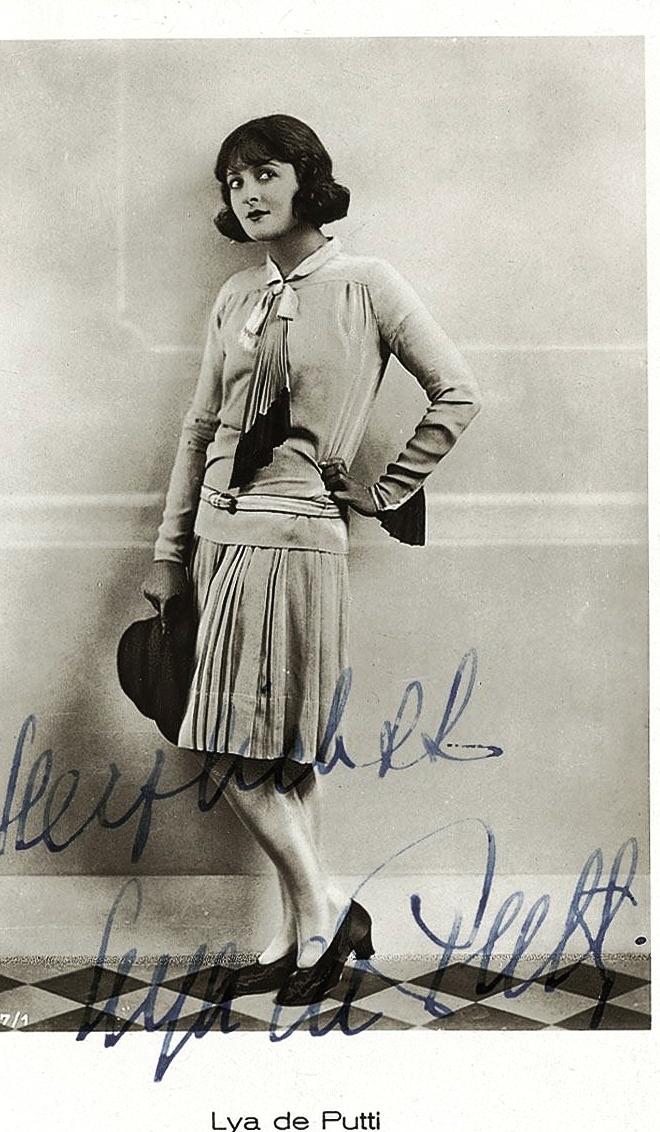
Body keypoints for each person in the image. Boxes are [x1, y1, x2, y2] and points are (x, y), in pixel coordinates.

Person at [141, 114, 481, 1007]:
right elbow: (201, 429)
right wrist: (171, 550)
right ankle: (306, 931)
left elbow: (458, 391)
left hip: (296, 542)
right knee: (264, 754)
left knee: (253, 749)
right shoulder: (236, 297)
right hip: (218, 542)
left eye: (264, 172)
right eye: (233, 181)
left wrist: (386, 489)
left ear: (306, 178)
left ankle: (322, 920)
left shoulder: (368, 284)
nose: (247, 192)